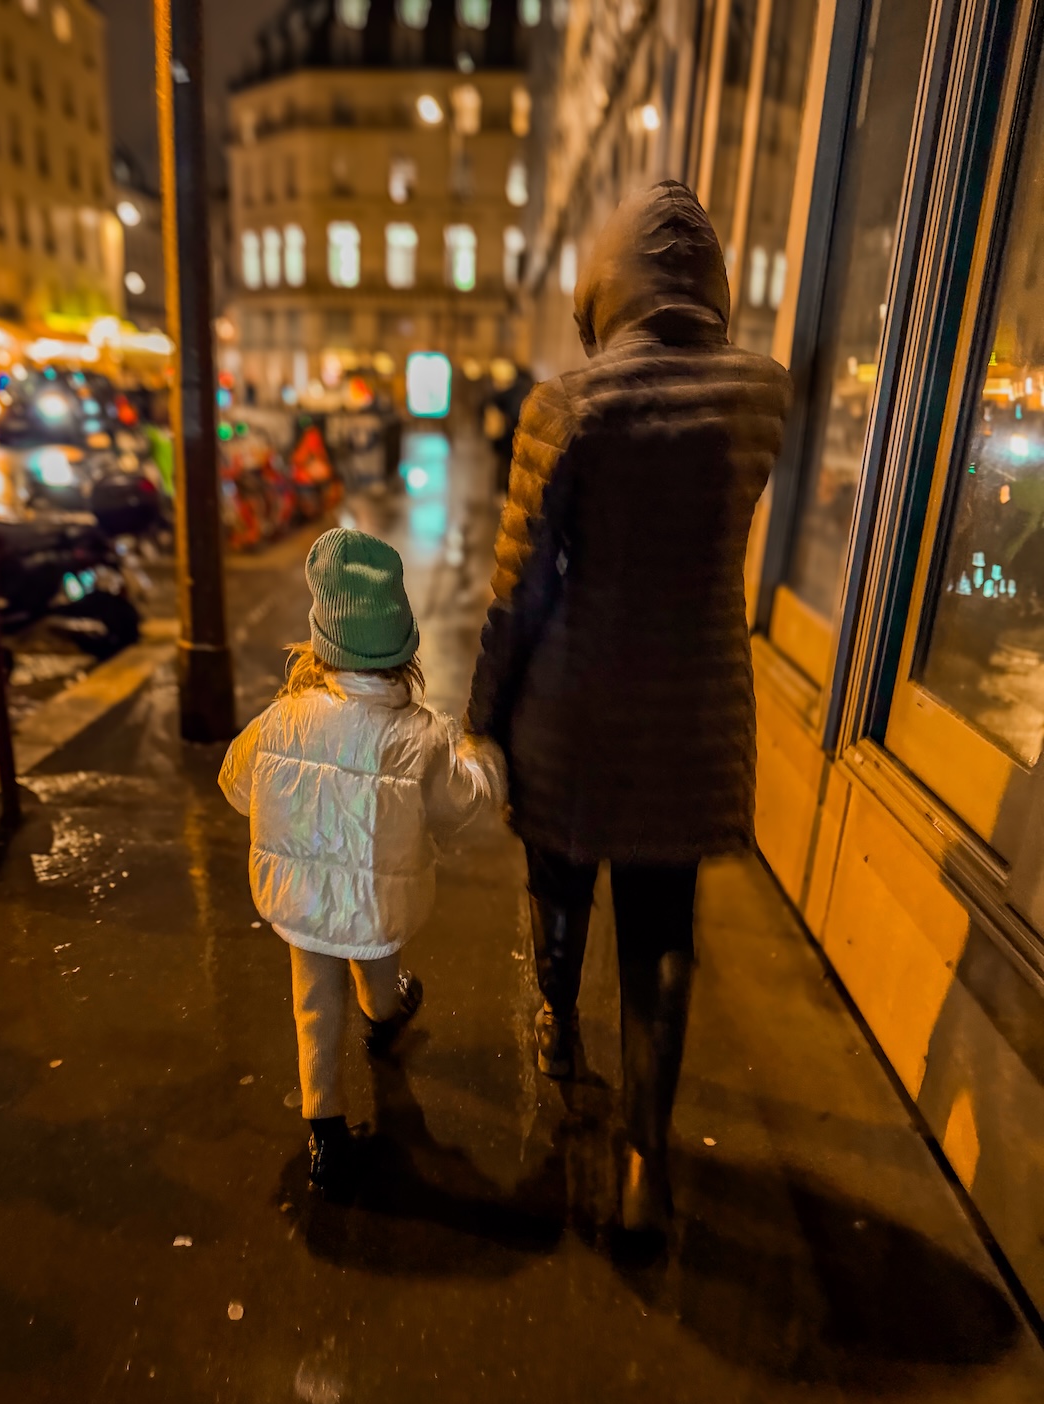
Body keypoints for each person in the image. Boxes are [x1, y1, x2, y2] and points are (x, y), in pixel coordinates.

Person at [466, 181, 790, 1235]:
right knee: (663, 928)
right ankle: (649, 1159)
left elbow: (520, 585)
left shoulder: (567, 408)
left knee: (560, 885)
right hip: (692, 712)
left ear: (607, 284)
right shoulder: (762, 399)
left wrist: (484, 712)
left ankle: (559, 1025)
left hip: (575, 710)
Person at [219, 526, 505, 1196]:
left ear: (321, 644)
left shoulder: (282, 720)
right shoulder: (420, 736)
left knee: (315, 1002)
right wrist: (485, 763)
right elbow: (457, 805)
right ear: (403, 649)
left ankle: (325, 1129)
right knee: (375, 949)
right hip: (378, 899)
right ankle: (384, 1015)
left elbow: (236, 783)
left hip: (301, 896)